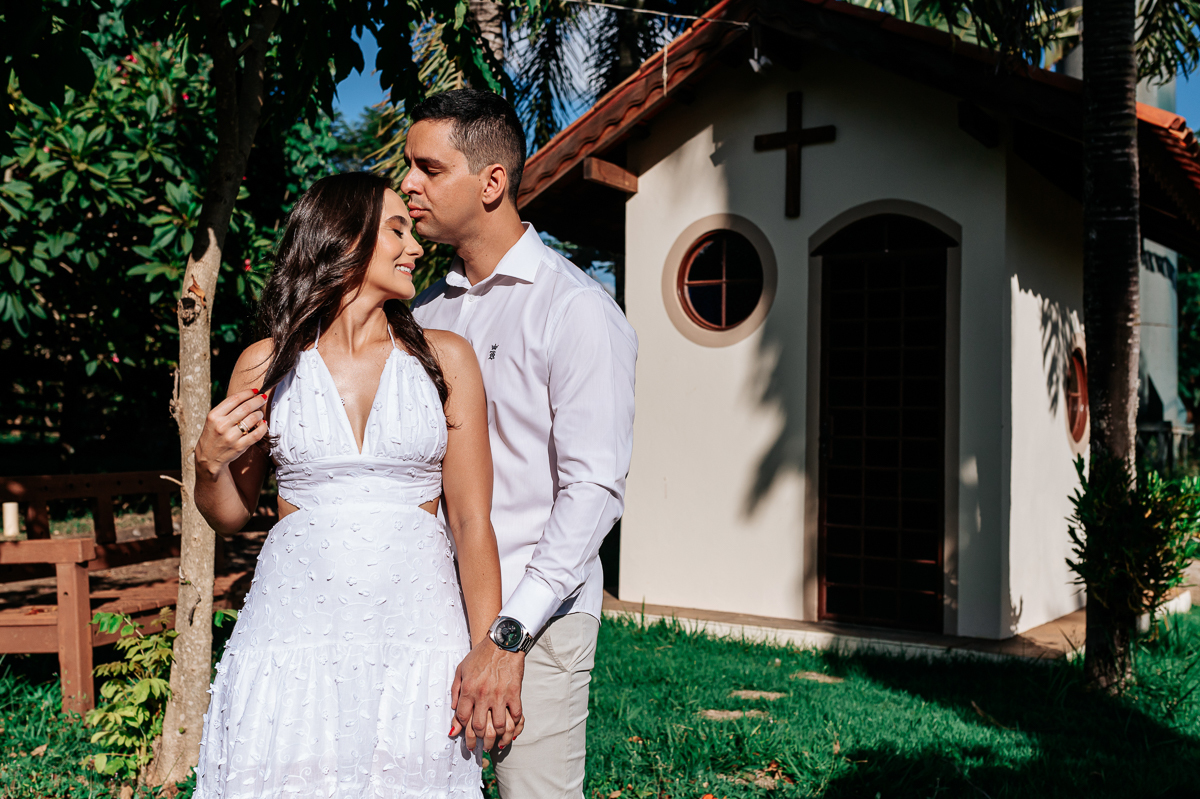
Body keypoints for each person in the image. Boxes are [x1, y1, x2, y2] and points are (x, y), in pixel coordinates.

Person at [189, 172, 520, 798]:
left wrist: (490, 654)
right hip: (292, 640)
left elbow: (473, 523)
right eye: (396, 229)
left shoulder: (447, 359)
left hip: (418, 638)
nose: (415, 246)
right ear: (342, 239)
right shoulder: (264, 363)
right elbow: (229, 515)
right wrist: (208, 464)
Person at [404, 89, 638, 798]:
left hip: (535, 624)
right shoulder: (421, 312)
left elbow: (594, 490)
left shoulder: (574, 310)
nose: (407, 184)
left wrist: (509, 637)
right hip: (426, 611)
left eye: (428, 168)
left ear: (492, 182)